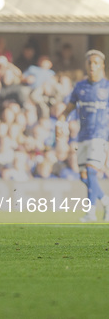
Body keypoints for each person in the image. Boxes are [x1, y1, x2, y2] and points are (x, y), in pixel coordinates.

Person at [57, 50, 109, 222]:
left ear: (102, 65)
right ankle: (106, 202)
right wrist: (61, 120)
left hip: (100, 136)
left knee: (90, 171)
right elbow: (69, 108)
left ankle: (91, 212)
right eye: (89, 63)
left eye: (95, 63)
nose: (92, 66)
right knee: (84, 176)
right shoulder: (80, 87)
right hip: (83, 135)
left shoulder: (107, 87)